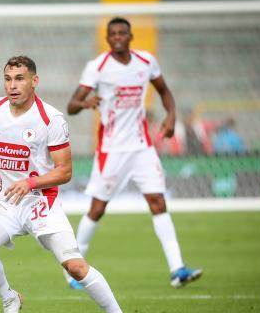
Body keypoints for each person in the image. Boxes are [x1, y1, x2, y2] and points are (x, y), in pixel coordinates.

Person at [0, 56, 136, 313]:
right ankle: (10, 298)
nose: (12, 85)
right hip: (3, 201)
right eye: (8, 79)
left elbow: (65, 171)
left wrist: (30, 183)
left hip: (41, 202)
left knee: (76, 267)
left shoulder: (51, 119)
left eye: (19, 78)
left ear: (35, 81)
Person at [64, 17, 202, 289]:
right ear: (107, 38)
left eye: (122, 33)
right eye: (112, 33)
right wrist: (85, 102)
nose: (117, 37)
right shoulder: (98, 67)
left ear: (130, 36)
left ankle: (177, 269)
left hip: (142, 148)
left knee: (158, 202)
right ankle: (72, 270)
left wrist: (171, 116)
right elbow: (71, 105)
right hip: (111, 150)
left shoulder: (146, 61)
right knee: (97, 208)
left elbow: (164, 91)